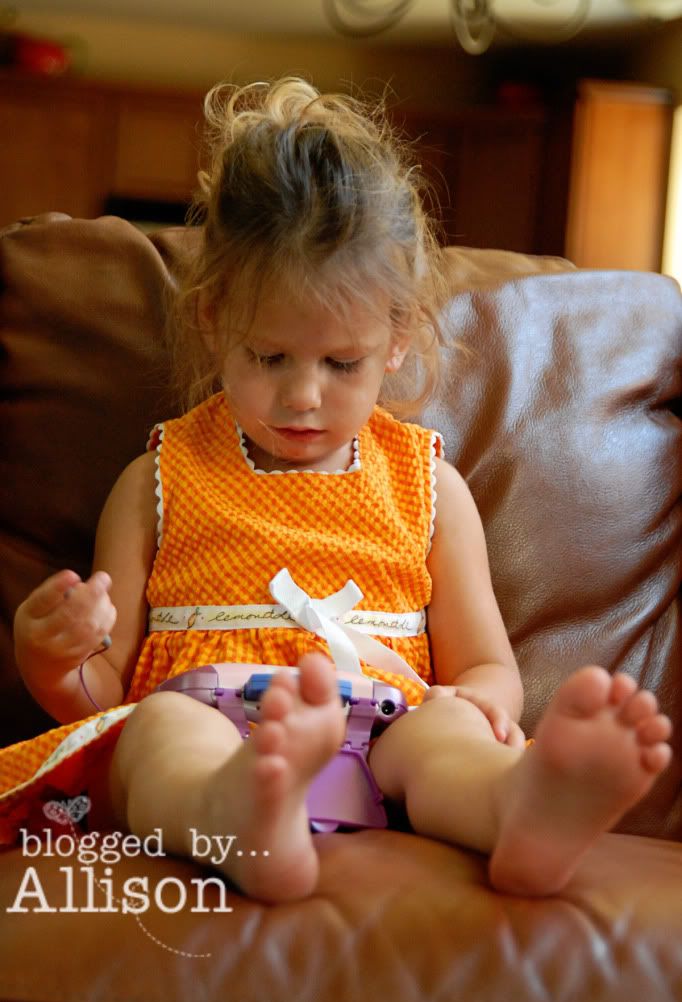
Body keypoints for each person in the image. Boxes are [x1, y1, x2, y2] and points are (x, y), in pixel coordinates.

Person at [4, 77, 672, 903]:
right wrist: (54, 658)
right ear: (213, 320)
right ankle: (238, 813)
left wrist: (478, 704)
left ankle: (521, 808)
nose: (303, 396)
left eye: (341, 363)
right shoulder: (158, 479)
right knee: (158, 732)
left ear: (397, 338)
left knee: (445, 734)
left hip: (382, 730)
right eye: (269, 356)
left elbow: (487, 665)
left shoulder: (431, 488)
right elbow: (99, 695)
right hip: (211, 724)